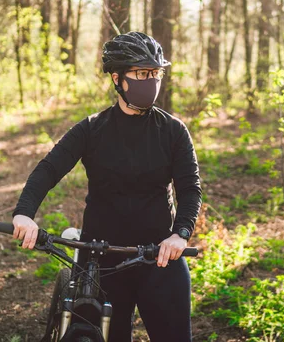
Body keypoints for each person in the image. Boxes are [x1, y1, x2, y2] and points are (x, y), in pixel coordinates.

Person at [10, 31, 201, 341]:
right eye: (142, 73)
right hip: (100, 259)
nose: (151, 80)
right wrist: (24, 214)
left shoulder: (173, 131)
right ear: (117, 78)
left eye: (156, 73)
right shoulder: (91, 129)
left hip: (159, 256)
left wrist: (180, 235)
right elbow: (48, 170)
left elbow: (190, 189)